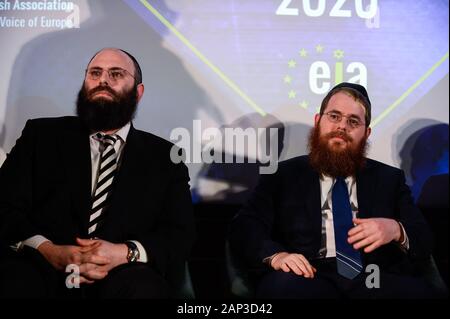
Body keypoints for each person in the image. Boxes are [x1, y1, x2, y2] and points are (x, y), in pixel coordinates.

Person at [0, 48, 195, 298]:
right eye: (95, 73)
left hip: (122, 274)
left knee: (145, 291)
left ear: (138, 92)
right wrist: (48, 249)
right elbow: (5, 206)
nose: (103, 80)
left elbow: (180, 234)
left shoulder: (165, 157)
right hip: (42, 265)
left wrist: (123, 253)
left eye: (116, 74)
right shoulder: (41, 136)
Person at [229, 82, 436, 298]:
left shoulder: (389, 179)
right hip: (307, 274)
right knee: (282, 289)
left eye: (353, 121)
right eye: (334, 117)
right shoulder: (282, 176)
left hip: (372, 277)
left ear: (366, 133)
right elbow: (244, 227)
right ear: (318, 122)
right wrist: (277, 256)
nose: (342, 127)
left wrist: (395, 229)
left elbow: (424, 239)